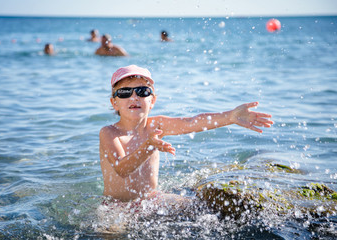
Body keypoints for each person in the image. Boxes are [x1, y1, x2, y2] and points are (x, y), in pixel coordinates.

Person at [99, 65, 273, 202]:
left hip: (151, 200)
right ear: (114, 103)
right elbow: (122, 169)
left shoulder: (156, 125)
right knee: (111, 233)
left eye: (142, 92)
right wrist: (148, 146)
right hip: (117, 207)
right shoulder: (109, 133)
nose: (134, 97)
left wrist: (231, 116)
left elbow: (192, 122)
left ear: (152, 101)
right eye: (124, 93)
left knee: (202, 208)